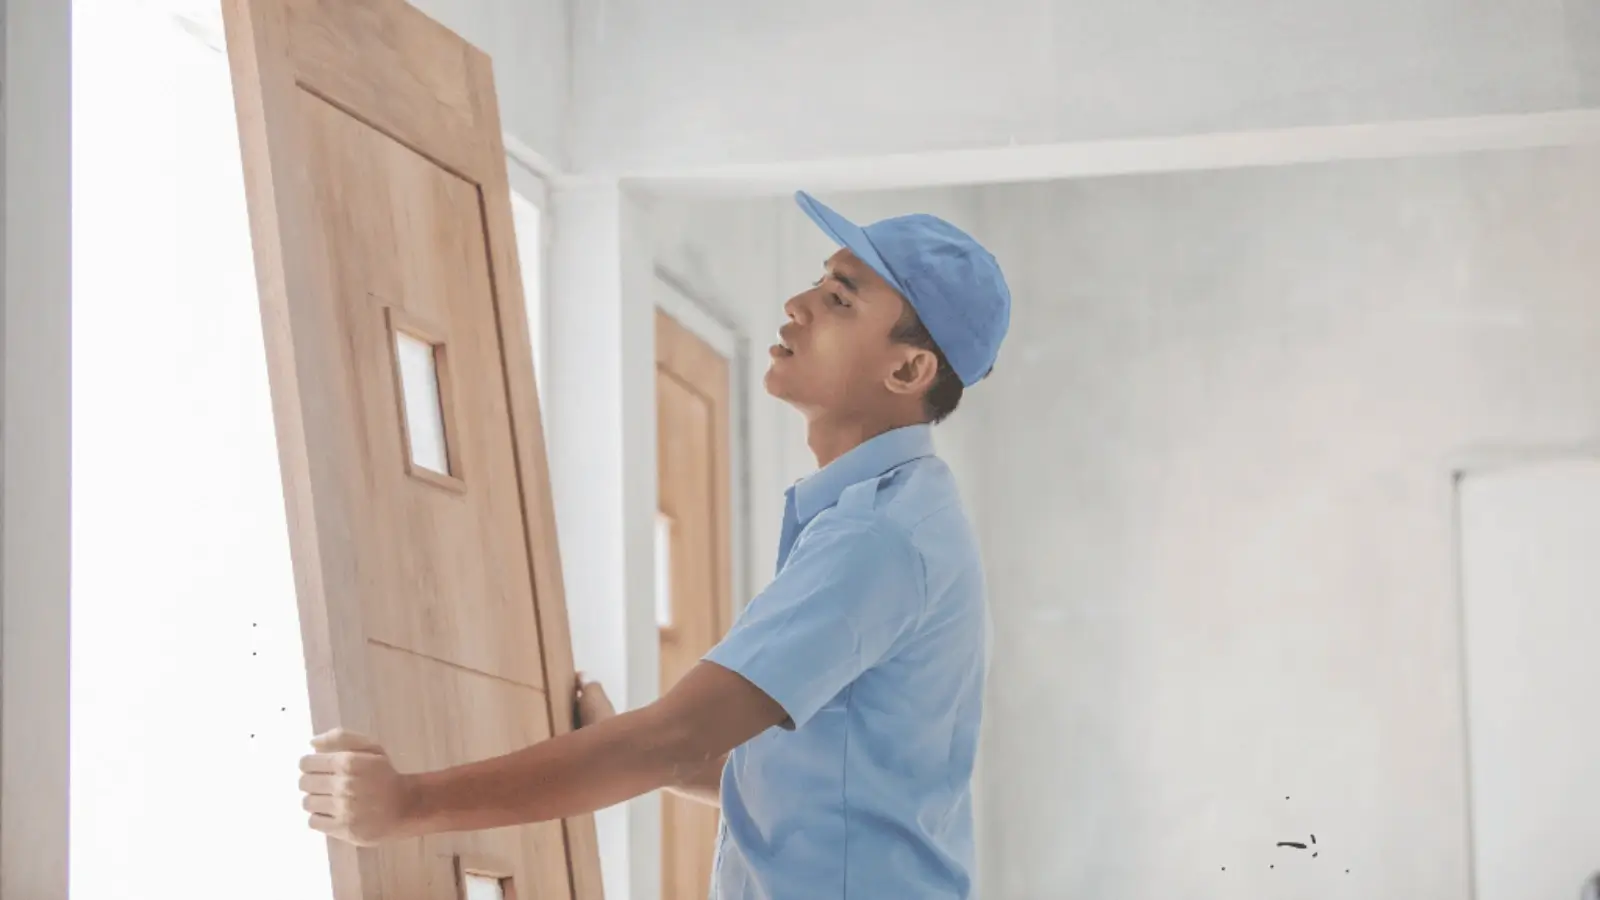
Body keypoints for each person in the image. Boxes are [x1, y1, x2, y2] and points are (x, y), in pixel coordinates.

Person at [297, 190, 1012, 899]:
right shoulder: (894, 517)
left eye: (840, 299)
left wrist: (407, 805)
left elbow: (674, 736)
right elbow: (808, 781)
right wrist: (648, 751)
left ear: (910, 371)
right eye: (820, 282)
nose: (798, 303)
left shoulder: (876, 538)